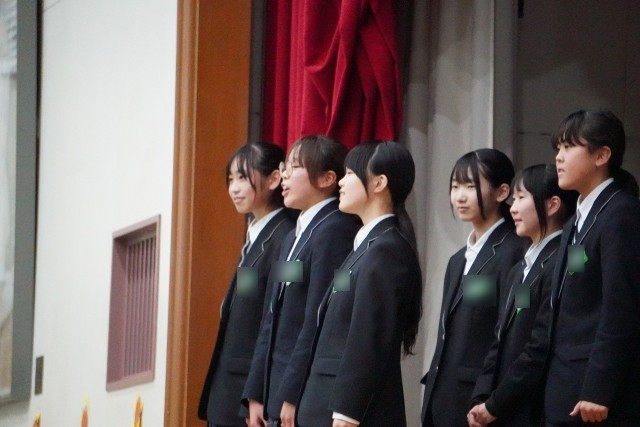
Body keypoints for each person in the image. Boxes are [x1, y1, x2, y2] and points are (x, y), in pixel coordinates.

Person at [296, 141, 423, 427]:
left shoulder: (386, 250)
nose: (341, 182)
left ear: (379, 183)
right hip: (323, 401)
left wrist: (347, 413)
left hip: (350, 413)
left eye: (351, 174)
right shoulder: (364, 247)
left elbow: (368, 336)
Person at [242, 135, 360, 427]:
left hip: (300, 395)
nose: (284, 175)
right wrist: (256, 391)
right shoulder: (293, 235)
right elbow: (272, 316)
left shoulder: (335, 230)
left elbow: (316, 319)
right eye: (285, 167)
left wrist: (293, 394)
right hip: (275, 392)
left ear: (327, 179)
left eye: (294, 167)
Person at [544, 109, 640, 425]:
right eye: (558, 148)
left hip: (594, 395)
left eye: (569, 147)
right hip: (563, 385)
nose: (559, 157)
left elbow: (620, 309)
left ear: (601, 155)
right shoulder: (576, 221)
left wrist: (599, 389)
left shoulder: (621, 214)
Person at [467, 164, 578, 426]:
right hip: (503, 405)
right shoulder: (521, 268)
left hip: (532, 408)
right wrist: (482, 396)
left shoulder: (563, 262)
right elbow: (503, 336)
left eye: (520, 198)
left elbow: (537, 346)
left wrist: (495, 404)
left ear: (552, 205)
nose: (512, 208)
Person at [421, 148, 525, 427]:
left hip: (480, 401)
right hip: (442, 398)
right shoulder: (458, 260)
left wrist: (492, 399)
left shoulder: (516, 252)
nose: (459, 196)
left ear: (502, 192)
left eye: (470, 186)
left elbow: (514, 332)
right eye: (455, 186)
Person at [198, 141, 297, 427]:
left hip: (249, 399)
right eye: (231, 179)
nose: (234, 188)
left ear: (274, 179)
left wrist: (257, 392)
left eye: (242, 177)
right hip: (229, 392)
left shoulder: (285, 236)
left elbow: (279, 318)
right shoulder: (257, 236)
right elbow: (246, 308)